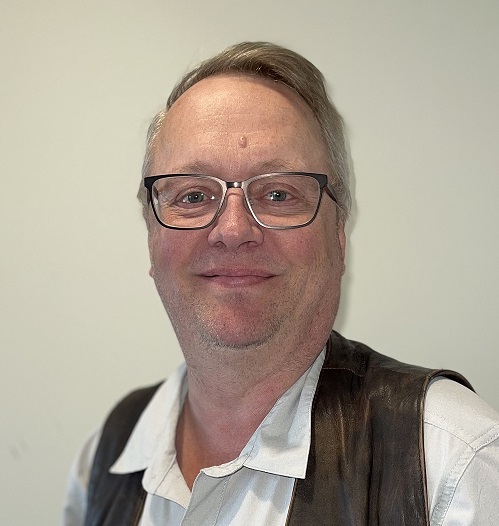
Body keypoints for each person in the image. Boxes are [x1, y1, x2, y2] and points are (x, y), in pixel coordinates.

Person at [63, 42, 499, 525]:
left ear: (338, 235)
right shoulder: (105, 455)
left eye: (277, 193)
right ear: (151, 238)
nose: (233, 230)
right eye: (193, 195)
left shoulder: (450, 465)